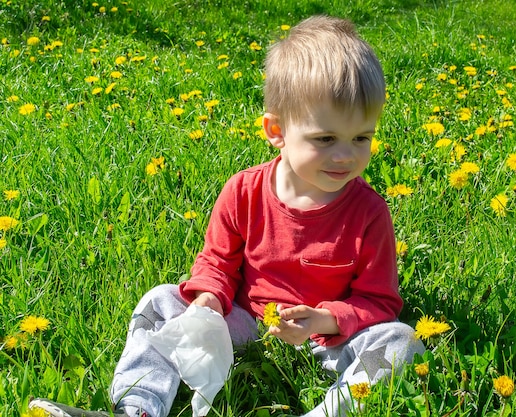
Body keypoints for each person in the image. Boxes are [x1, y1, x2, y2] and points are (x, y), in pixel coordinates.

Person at [29, 15, 424, 417]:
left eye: (362, 137)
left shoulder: (369, 213)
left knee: (400, 341)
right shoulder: (244, 192)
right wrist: (208, 299)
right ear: (276, 131)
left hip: (326, 339)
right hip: (243, 322)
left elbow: (379, 301)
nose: (346, 155)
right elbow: (217, 262)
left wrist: (324, 320)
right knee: (161, 301)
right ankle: (138, 407)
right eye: (325, 139)